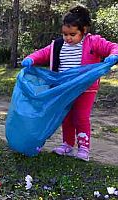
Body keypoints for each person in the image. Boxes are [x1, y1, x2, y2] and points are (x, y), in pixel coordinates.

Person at [21, 5, 118, 161]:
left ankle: (84, 148)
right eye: (65, 34)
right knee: (66, 116)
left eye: (73, 34)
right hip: (64, 89)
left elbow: (113, 46)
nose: (68, 38)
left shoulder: (93, 42)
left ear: (84, 30)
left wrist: (113, 55)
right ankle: (67, 144)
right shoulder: (59, 45)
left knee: (80, 117)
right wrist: (31, 58)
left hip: (85, 88)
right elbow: (44, 52)